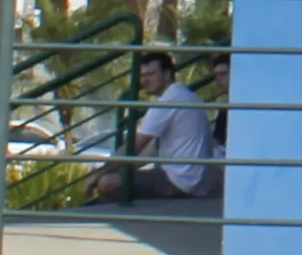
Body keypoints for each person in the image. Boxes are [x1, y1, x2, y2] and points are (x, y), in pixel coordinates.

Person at [86, 51, 213, 207]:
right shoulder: (186, 95)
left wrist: (99, 173)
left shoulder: (168, 101)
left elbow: (135, 146)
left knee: (107, 182)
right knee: (117, 180)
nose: (144, 81)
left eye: (151, 74)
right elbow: (147, 150)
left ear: (166, 75)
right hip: (196, 183)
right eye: (142, 76)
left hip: (180, 181)